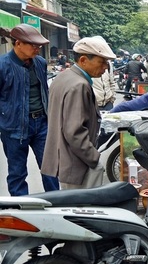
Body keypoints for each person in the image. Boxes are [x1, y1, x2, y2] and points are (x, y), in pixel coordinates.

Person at [42, 36, 117, 189]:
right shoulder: (79, 85)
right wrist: (94, 158)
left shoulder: (64, 77)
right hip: (76, 162)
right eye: (102, 62)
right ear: (83, 60)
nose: (105, 67)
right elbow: (74, 131)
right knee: (83, 208)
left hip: (66, 159)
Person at [0, 24, 60, 195]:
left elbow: (45, 92)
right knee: (17, 172)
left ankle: (57, 203)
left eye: (39, 46)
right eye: (33, 45)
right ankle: (21, 211)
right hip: (14, 127)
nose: (37, 49)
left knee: (50, 168)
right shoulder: (2, 66)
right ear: (18, 43)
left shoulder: (40, 63)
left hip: (41, 123)